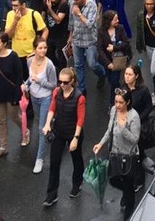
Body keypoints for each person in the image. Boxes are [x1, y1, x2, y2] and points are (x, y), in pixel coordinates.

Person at [93, 88, 143, 216]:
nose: (118, 105)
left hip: (128, 157)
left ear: (128, 102)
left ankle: (129, 213)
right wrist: (100, 144)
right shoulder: (114, 111)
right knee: (113, 179)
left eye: (121, 102)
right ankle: (127, 193)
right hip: (115, 154)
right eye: (116, 102)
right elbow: (109, 130)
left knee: (127, 184)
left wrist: (123, 128)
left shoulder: (134, 116)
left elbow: (135, 140)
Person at [42, 67, 87, 208]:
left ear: (72, 81)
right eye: (60, 81)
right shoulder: (57, 91)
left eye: (65, 82)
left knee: (76, 158)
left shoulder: (79, 97)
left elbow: (80, 119)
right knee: (54, 162)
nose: (62, 84)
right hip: (59, 131)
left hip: (73, 132)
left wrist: (75, 138)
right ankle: (51, 194)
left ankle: (77, 184)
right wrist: (47, 124)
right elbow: (52, 108)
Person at [0, 32, 27, 160]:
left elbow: (18, 76)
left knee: (14, 117)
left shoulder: (13, 56)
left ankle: (25, 131)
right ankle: (3, 147)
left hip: (11, 93)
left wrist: (17, 95)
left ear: (5, 44)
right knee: (1, 121)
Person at [24, 39, 58, 174]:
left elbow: (53, 85)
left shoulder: (49, 65)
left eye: (45, 48)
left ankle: (40, 159)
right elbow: (30, 78)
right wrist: (26, 85)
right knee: (39, 120)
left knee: (41, 128)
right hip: (34, 97)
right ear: (34, 49)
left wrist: (40, 81)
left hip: (46, 98)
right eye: (40, 48)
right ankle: (50, 124)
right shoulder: (29, 61)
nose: (43, 50)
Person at [67, 0, 106, 95]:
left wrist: (79, 14)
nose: (74, 2)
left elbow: (90, 24)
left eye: (76, 0)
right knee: (78, 65)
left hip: (89, 40)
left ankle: (102, 74)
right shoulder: (73, 5)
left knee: (92, 64)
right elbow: (71, 22)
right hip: (76, 39)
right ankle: (82, 88)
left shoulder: (92, 5)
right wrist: (70, 36)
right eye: (73, 0)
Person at [97, 11, 132, 92]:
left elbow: (126, 42)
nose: (118, 21)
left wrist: (114, 48)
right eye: (115, 20)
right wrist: (108, 63)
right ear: (109, 21)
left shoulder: (120, 28)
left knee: (114, 80)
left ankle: (113, 100)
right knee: (110, 79)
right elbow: (100, 48)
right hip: (107, 60)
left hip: (118, 59)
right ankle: (120, 91)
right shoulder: (101, 31)